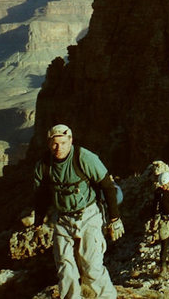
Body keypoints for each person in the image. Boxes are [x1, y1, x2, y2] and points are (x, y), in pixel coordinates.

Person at [33, 123, 124, 299]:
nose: (58, 148)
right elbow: (41, 196)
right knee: (65, 270)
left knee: (92, 266)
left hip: (89, 215)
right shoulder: (43, 166)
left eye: (63, 143)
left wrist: (114, 218)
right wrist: (38, 223)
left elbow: (107, 185)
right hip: (62, 220)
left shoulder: (84, 158)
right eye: (54, 144)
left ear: (71, 141)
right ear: (48, 143)